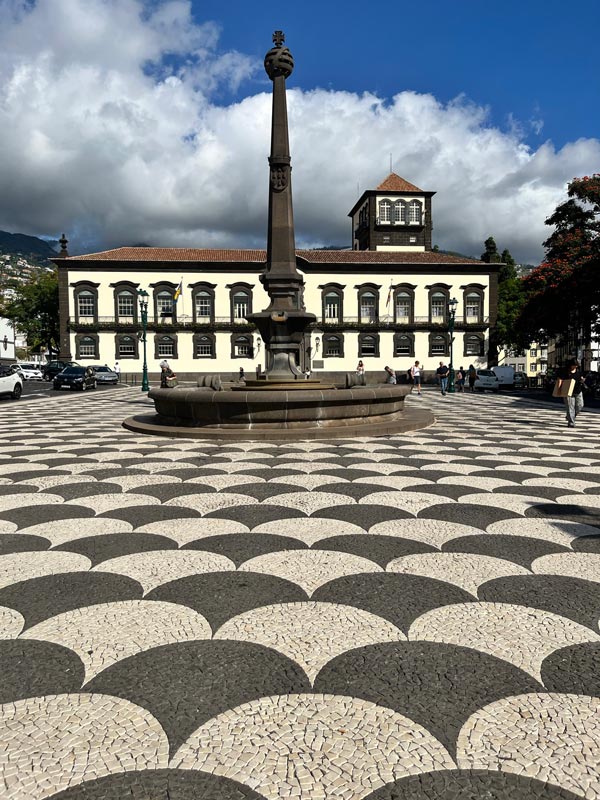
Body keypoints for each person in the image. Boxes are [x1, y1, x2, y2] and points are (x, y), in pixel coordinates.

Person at [556, 358, 585, 427]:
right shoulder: (565, 372)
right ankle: (571, 422)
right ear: (570, 365)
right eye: (574, 365)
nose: (575, 367)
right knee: (570, 407)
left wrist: (582, 380)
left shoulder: (578, 371)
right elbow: (560, 380)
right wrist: (559, 390)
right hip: (568, 392)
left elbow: (581, 378)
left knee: (580, 405)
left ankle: (569, 417)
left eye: (576, 365)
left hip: (578, 391)